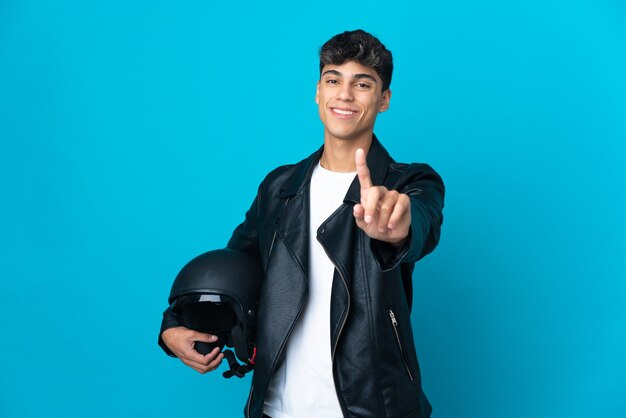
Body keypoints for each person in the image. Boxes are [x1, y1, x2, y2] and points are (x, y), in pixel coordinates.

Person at [158, 29, 445, 418]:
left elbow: (421, 223)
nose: (344, 94)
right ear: (318, 92)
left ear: (384, 100)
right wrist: (174, 324)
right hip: (276, 409)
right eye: (333, 80)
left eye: (362, 84)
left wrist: (397, 226)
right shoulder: (279, 188)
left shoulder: (408, 182)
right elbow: (233, 273)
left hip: (375, 408)